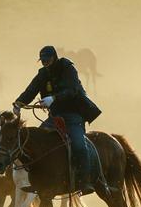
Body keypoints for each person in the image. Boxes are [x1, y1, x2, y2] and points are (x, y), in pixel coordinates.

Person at [13, 45, 102, 195]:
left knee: (79, 145)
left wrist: (53, 98)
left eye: (47, 60)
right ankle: (38, 180)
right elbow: (31, 90)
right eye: (42, 60)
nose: (45, 63)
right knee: (35, 142)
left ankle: (85, 181)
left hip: (73, 115)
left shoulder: (68, 68)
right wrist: (18, 103)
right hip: (54, 117)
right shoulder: (42, 74)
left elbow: (73, 90)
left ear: (54, 57)